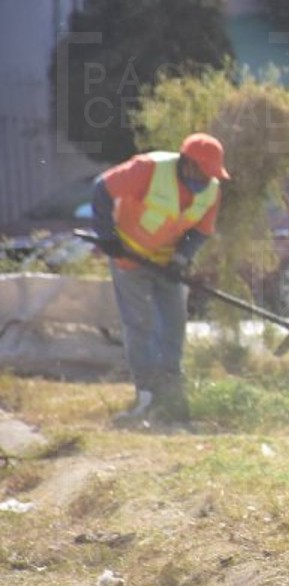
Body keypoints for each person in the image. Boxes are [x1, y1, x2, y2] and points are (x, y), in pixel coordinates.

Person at [91, 132, 230, 430]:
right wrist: (108, 238)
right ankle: (146, 394)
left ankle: (171, 393)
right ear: (188, 164)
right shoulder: (148, 169)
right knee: (140, 324)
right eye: (204, 172)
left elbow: (201, 232)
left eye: (212, 174)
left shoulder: (211, 190)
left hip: (167, 264)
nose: (208, 179)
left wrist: (180, 260)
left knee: (174, 324)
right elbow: (101, 189)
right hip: (129, 259)